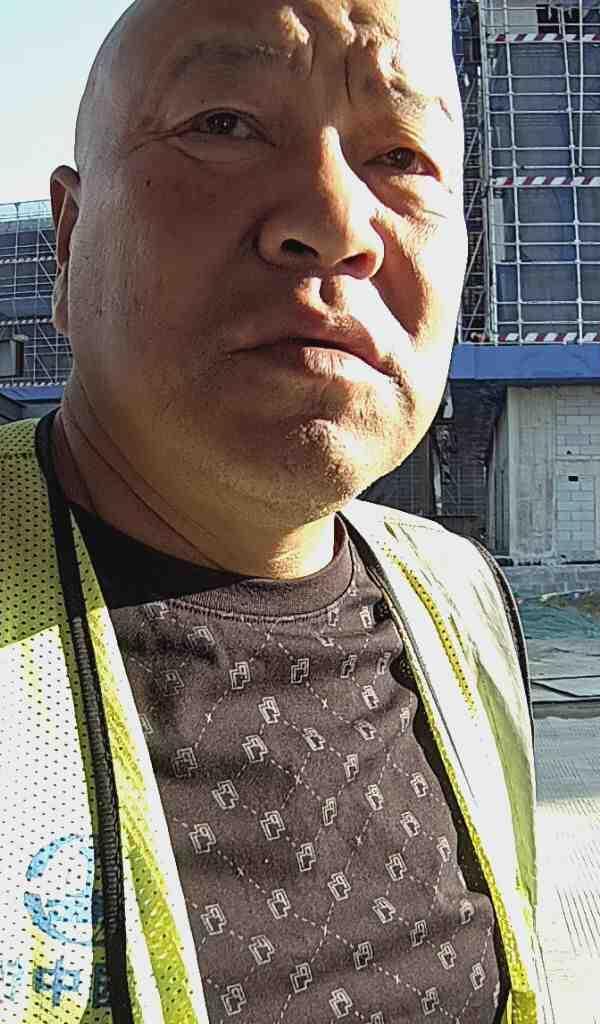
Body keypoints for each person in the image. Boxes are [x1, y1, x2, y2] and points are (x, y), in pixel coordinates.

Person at [0, 0, 547, 1021]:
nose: (337, 224)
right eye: (224, 124)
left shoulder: (463, 600)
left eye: (403, 158)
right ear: (68, 241)